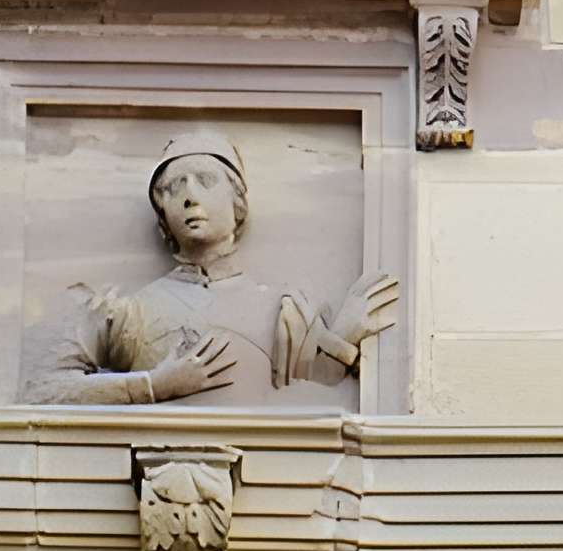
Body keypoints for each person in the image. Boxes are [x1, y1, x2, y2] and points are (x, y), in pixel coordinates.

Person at [30, 131, 397, 408]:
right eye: (174, 187)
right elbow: (44, 391)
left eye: (205, 181)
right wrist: (152, 386)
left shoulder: (287, 311)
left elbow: (314, 391)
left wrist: (344, 339)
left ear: (237, 202)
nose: (189, 196)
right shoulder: (127, 312)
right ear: (163, 213)